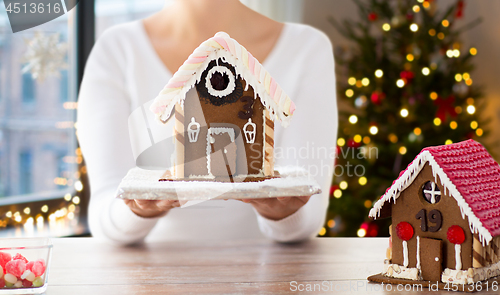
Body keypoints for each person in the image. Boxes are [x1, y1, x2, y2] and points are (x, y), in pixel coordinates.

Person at [77, 0, 337, 245]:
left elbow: (308, 215)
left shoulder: (307, 47)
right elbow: (104, 216)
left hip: (267, 280)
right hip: (149, 283)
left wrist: (283, 213)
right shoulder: (117, 49)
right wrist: (138, 210)